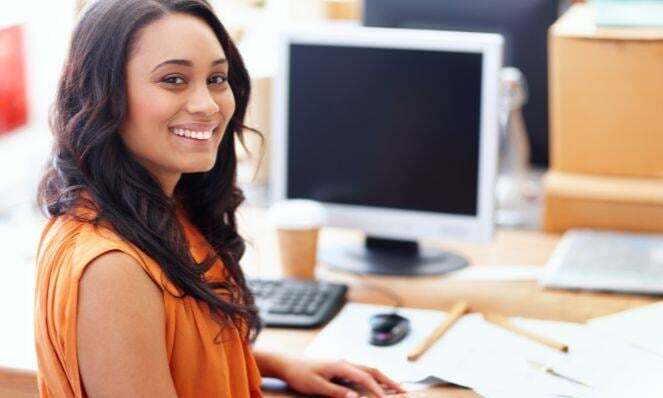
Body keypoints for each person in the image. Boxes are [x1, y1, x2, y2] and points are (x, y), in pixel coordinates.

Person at [34, 1, 405, 397]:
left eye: (216, 78)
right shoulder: (113, 269)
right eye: (173, 79)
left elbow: (173, 348)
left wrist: (278, 364)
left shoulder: (164, 212)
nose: (208, 105)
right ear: (103, 93)